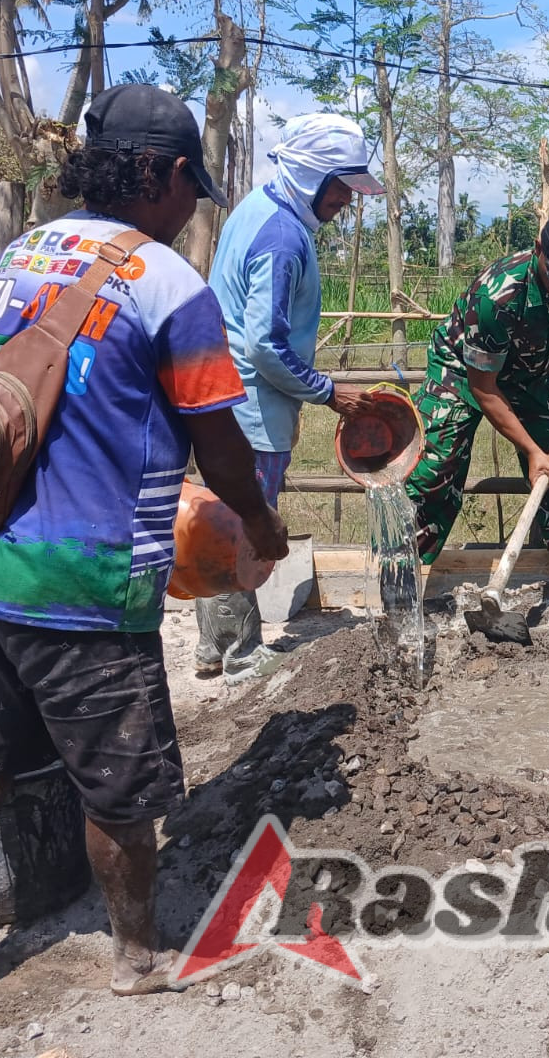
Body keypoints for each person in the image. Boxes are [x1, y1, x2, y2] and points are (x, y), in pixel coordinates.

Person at [0, 84, 287, 994]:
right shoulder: (170, 286)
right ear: (167, 175)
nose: (191, 208)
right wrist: (260, 525)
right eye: (191, 189)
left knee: (0, 740)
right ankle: (136, 957)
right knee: (124, 788)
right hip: (82, 589)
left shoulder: (20, 256)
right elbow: (219, 447)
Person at [198, 113, 383, 678]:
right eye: (341, 188)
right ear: (312, 177)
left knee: (223, 521)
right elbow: (265, 344)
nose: (346, 203)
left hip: (224, 399)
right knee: (244, 528)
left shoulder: (258, 210)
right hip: (251, 405)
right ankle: (239, 654)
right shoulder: (282, 238)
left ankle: (214, 645)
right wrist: (329, 392)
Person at [405, 210, 549, 583]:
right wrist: (531, 451)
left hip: (533, 367)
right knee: (437, 460)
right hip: (462, 369)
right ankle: (404, 568)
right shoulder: (497, 295)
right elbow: (484, 388)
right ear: (538, 250)